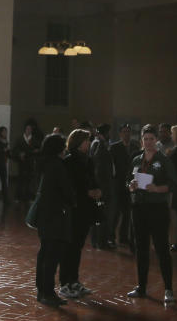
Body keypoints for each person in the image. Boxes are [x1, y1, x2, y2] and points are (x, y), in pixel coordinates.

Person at [127, 123, 177, 304]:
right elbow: (129, 180)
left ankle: (169, 289)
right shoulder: (136, 159)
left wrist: (157, 188)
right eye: (145, 139)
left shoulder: (164, 160)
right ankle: (141, 286)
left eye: (151, 139)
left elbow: (173, 184)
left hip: (157, 209)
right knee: (141, 249)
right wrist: (131, 186)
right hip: (139, 208)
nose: (148, 142)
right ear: (141, 140)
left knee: (162, 248)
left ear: (156, 140)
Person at [33, 132, 75, 307]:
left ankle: (41, 290)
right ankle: (48, 292)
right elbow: (66, 192)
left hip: (44, 215)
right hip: (56, 215)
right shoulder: (57, 166)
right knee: (52, 255)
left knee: (44, 253)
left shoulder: (43, 164)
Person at [59, 128, 101, 299]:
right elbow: (69, 187)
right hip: (73, 209)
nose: (89, 143)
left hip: (85, 209)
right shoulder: (69, 161)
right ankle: (65, 283)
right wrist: (86, 193)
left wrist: (97, 190)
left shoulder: (88, 160)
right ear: (77, 142)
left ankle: (74, 280)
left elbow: (91, 179)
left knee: (78, 246)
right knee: (69, 246)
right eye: (86, 140)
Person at [110, 123, 137, 248]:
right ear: (120, 134)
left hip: (130, 183)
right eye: (124, 131)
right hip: (117, 183)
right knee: (115, 212)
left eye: (128, 131)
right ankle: (110, 236)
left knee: (127, 212)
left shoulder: (135, 147)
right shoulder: (114, 147)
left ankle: (123, 237)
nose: (126, 134)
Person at [90, 124, 115, 249]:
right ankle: (101, 242)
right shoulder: (99, 145)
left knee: (98, 214)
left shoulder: (96, 144)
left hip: (100, 187)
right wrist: (101, 189)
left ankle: (96, 240)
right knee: (103, 215)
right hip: (103, 188)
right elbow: (99, 170)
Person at [13, 122, 40, 202]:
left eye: (30, 129)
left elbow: (38, 149)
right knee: (20, 179)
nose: (29, 130)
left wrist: (36, 151)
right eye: (27, 129)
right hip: (22, 162)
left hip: (30, 162)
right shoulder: (20, 139)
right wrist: (19, 153)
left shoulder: (34, 139)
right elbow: (15, 149)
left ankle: (29, 196)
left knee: (29, 180)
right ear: (25, 130)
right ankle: (18, 197)